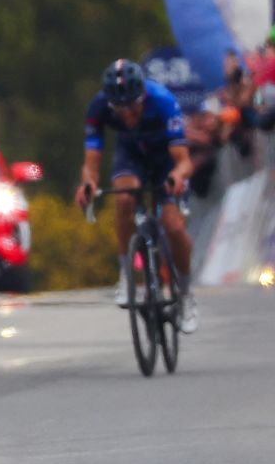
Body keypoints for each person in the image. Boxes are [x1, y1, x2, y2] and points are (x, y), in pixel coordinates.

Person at [75, 59, 198, 333]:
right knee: (123, 199)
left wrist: (177, 177)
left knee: (174, 227)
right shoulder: (98, 107)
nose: (128, 116)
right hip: (131, 154)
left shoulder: (163, 101)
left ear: (142, 97)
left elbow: (184, 161)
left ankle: (187, 296)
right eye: (121, 110)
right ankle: (127, 274)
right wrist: (88, 184)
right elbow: (92, 163)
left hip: (166, 158)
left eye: (133, 107)